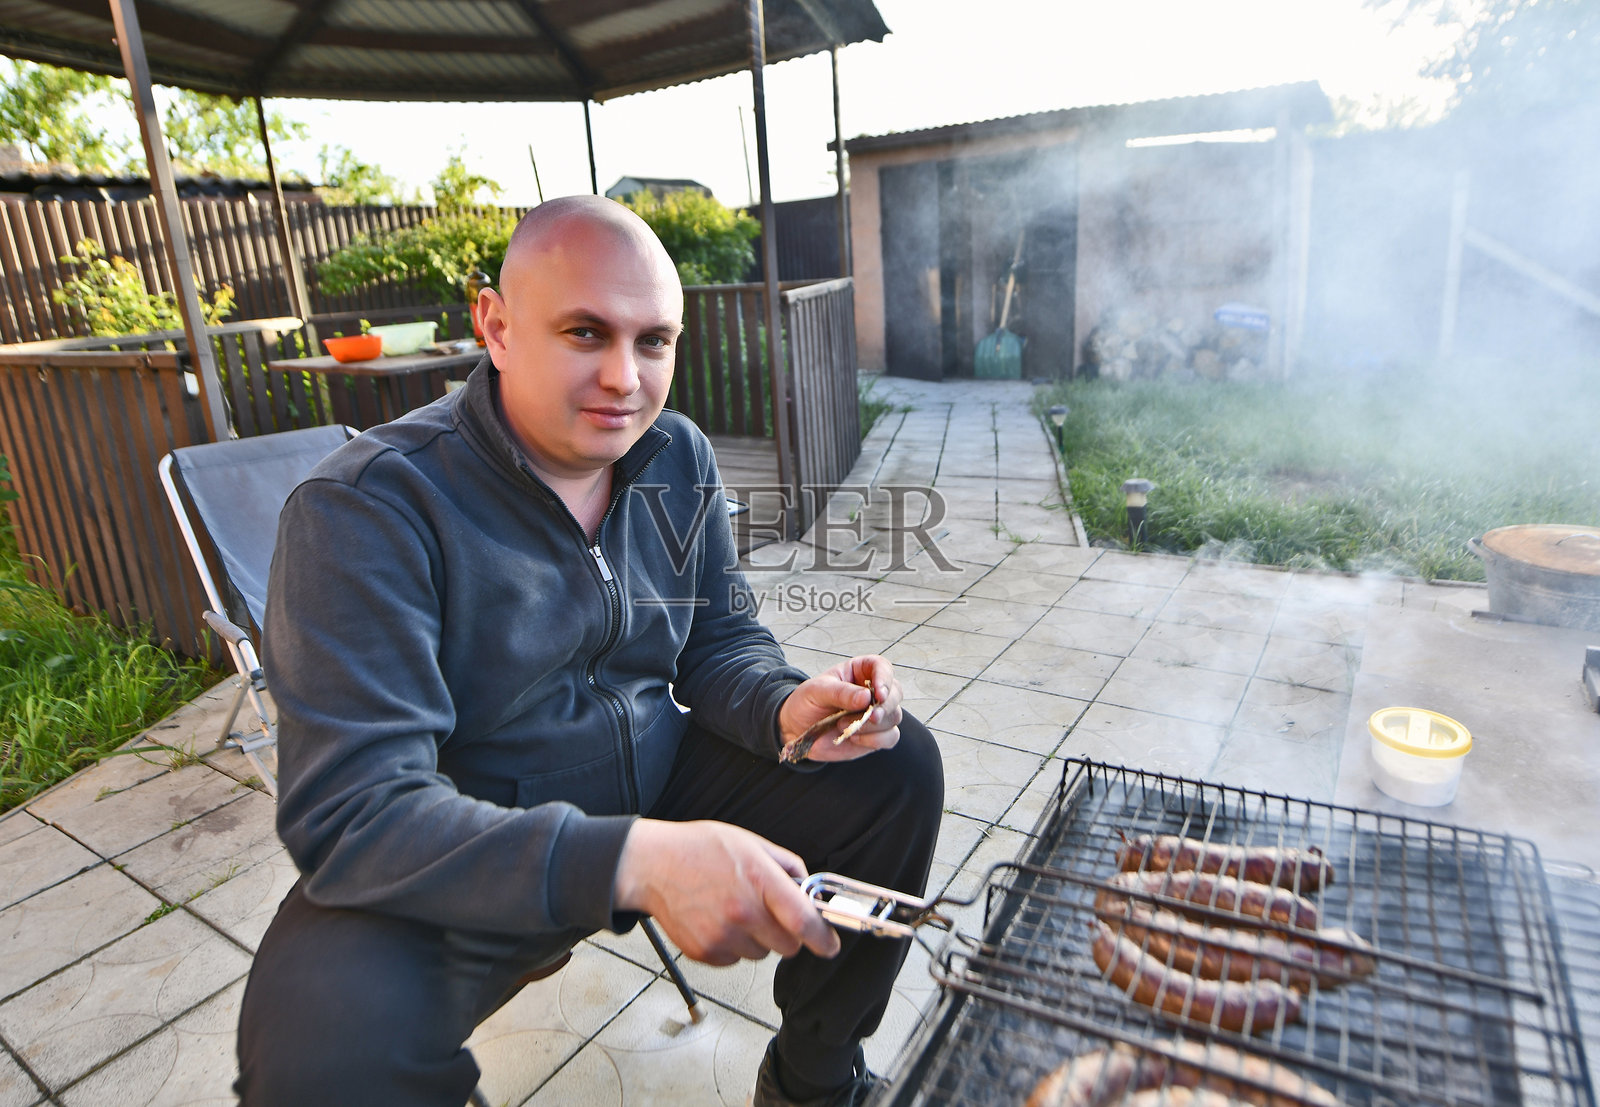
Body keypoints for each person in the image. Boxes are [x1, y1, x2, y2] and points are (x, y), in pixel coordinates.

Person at [235, 195, 944, 1107]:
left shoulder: (674, 454)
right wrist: (630, 861)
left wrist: (780, 704)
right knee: (320, 1052)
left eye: (654, 341)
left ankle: (815, 1079)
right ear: (496, 324)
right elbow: (358, 810)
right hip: (477, 834)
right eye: (584, 332)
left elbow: (718, 638)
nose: (625, 377)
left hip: (653, 770)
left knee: (898, 765)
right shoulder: (367, 509)